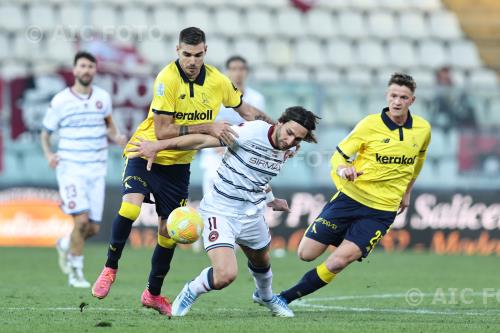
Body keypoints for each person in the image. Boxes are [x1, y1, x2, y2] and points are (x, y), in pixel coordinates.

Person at [91, 27, 272, 316]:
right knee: (130, 208)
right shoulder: (166, 79)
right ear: (178, 51)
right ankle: (110, 268)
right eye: (186, 54)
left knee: (168, 232)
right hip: (147, 150)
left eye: (197, 55)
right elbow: (162, 131)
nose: (192, 61)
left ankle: (152, 293)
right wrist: (208, 126)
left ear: (205, 52)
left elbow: (247, 111)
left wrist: (281, 131)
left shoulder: (217, 81)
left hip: (178, 166)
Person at [127, 106, 320, 317]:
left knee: (261, 260)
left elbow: (259, 176)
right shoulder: (250, 132)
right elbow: (201, 141)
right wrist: (159, 145)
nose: (290, 141)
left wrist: (271, 200)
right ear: (280, 122)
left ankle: (265, 296)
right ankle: (191, 290)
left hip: (252, 213)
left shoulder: (289, 149)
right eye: (290, 133)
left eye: (298, 139)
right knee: (225, 275)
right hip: (220, 211)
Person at [277, 73, 431, 306]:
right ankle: (346, 238)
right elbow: (339, 156)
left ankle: (283, 299)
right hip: (350, 198)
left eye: (403, 97)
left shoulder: (422, 130)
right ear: (386, 96)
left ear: (412, 100)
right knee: (305, 254)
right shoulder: (370, 125)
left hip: (381, 211)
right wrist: (343, 170)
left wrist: (407, 192)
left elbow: (416, 165)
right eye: (393, 95)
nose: (397, 101)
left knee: (339, 262)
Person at [40, 51, 127, 288]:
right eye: (82, 66)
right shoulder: (60, 101)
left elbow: (110, 126)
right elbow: (45, 134)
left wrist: (117, 137)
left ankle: (66, 243)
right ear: (75, 69)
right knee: (81, 222)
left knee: (93, 228)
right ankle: (75, 273)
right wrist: (49, 154)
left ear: (94, 70)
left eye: (90, 66)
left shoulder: (102, 97)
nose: (86, 70)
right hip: (71, 168)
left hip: (96, 169)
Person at [200, 55, 266, 196]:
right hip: (215, 152)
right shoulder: (213, 97)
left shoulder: (256, 99)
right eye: (234, 69)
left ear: (247, 72)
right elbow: (204, 124)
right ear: (227, 72)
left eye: (241, 69)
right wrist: (217, 143)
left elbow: (257, 129)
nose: (238, 73)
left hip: (244, 153)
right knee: (213, 197)